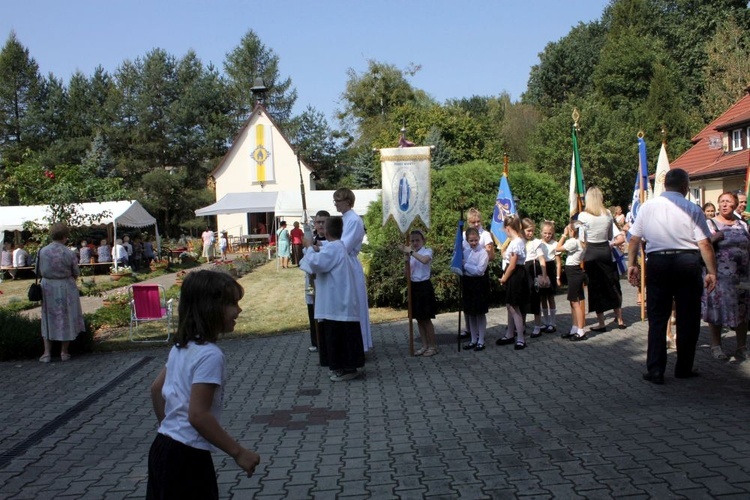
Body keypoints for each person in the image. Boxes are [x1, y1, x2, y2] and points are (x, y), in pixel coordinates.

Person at [147, 270, 260, 498]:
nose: (238, 310)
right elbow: (198, 415)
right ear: (211, 308)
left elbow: (156, 389)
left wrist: (171, 429)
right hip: (187, 459)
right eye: (232, 304)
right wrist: (238, 452)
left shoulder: (182, 346)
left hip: (163, 447)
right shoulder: (210, 355)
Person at [627, 168, 717, 384]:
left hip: (658, 263)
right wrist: (712, 271)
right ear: (686, 187)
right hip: (687, 263)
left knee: (658, 318)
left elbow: (633, 239)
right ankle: (684, 367)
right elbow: (704, 243)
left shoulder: (647, 207)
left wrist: (632, 265)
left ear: (665, 185)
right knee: (688, 318)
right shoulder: (692, 208)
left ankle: (656, 370)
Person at [300, 216, 365, 381]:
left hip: (337, 303)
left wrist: (308, 248)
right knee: (337, 335)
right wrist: (314, 246)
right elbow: (322, 252)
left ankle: (346, 368)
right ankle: (341, 366)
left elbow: (315, 263)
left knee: (339, 336)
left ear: (327, 231)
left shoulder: (334, 249)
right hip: (336, 302)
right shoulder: (337, 246)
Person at [701, 192, 750, 361]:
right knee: (717, 309)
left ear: (735, 205)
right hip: (719, 276)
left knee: (743, 310)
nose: (724, 205)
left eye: (728, 202)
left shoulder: (742, 224)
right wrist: (715, 238)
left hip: (741, 276)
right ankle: (716, 346)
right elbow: (702, 245)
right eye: (721, 201)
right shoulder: (710, 223)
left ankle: (741, 347)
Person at [577, 187, 625, 332]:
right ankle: (620, 319)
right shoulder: (608, 213)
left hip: (591, 251)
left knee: (595, 286)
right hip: (605, 250)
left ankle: (601, 322)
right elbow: (610, 235)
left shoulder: (583, 216)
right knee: (612, 283)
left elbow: (581, 238)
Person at [38, 223, 85, 363]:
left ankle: (46, 353)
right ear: (65, 236)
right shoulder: (69, 252)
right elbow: (76, 272)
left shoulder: (42, 251)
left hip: (48, 287)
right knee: (67, 317)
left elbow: (38, 271)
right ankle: (64, 351)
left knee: (48, 318)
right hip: (65, 286)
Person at [334, 188, 372, 352]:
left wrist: (327, 248)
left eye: (338, 201)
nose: (336, 204)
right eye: (335, 201)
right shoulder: (345, 219)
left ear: (348, 202)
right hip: (344, 263)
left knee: (355, 305)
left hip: (349, 264)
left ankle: (360, 345)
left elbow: (345, 246)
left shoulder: (354, 220)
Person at [399, 230, 438, 356]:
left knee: (426, 318)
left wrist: (410, 251)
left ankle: (432, 346)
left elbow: (424, 260)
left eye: (417, 240)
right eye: (413, 241)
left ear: (423, 241)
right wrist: (406, 260)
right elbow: (407, 274)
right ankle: (424, 345)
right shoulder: (411, 255)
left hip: (424, 286)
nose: (415, 243)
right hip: (414, 286)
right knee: (419, 319)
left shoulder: (427, 251)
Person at [460, 208, 496, 339]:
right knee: (468, 305)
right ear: (468, 222)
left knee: (479, 308)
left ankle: (479, 336)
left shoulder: (485, 234)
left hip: (480, 270)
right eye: (473, 222)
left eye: (478, 221)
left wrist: (468, 264)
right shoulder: (464, 234)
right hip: (467, 275)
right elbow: (461, 252)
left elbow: (489, 253)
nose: (476, 224)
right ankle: (469, 330)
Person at [496, 215, 529, 350]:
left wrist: (504, 278)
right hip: (513, 275)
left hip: (515, 275)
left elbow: (513, 265)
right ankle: (509, 333)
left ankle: (520, 337)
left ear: (508, 228)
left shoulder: (516, 243)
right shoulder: (515, 241)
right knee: (510, 305)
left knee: (515, 307)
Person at [303, 210, 329, 356]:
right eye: (318, 222)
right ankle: (316, 341)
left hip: (324, 282)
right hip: (311, 282)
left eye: (323, 222)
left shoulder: (331, 241)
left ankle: (325, 341)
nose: (320, 225)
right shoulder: (310, 239)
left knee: (324, 313)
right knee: (312, 308)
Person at [557, 219, 587, 340]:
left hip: (574, 273)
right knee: (573, 302)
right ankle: (575, 328)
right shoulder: (580, 242)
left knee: (575, 302)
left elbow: (558, 248)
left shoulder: (574, 242)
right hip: (574, 272)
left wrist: (564, 235)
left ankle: (580, 330)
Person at [461, 227, 490, 351]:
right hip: (468, 283)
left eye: (476, 240)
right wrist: (465, 267)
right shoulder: (465, 252)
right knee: (470, 313)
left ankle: (481, 340)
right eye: (471, 240)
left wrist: (466, 265)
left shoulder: (483, 252)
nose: (473, 243)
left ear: (479, 239)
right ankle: (473, 339)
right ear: (467, 240)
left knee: (479, 313)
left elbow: (479, 270)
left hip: (479, 284)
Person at [522, 218, 550, 338]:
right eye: (528, 231)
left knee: (535, 299)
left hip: (532, 270)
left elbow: (542, 259)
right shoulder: (519, 242)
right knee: (522, 300)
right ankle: (521, 325)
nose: (530, 233)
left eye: (532, 231)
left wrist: (544, 275)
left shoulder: (536, 243)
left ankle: (537, 325)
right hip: (522, 272)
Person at [539, 220, 561, 333]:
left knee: (550, 297)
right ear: (541, 232)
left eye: (550, 233)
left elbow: (558, 263)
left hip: (551, 270)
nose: (547, 235)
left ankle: (552, 322)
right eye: (545, 233)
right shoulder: (538, 243)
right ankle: (545, 321)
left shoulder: (555, 244)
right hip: (541, 269)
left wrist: (558, 277)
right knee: (542, 297)